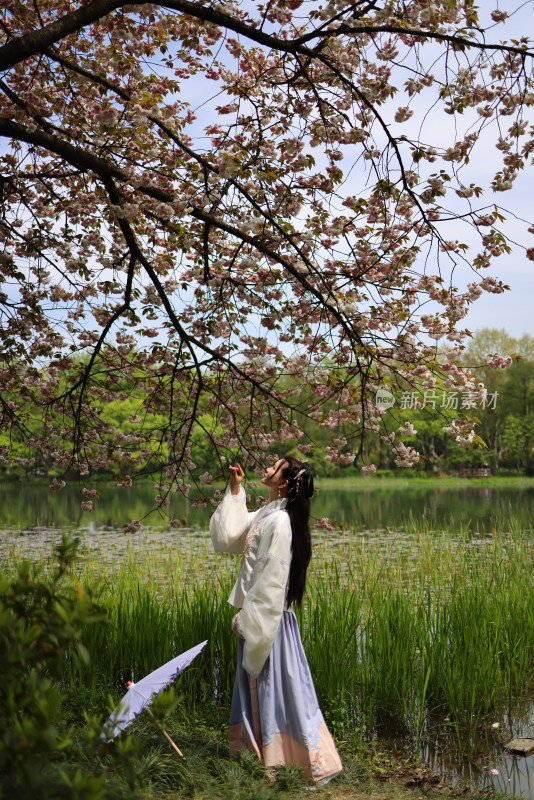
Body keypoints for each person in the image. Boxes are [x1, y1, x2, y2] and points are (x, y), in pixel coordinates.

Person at [210, 456, 343, 784]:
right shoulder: (268, 514)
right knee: (267, 691)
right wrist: (235, 488)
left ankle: (288, 762)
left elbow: (271, 581)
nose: (268, 467)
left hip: (270, 621)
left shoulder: (281, 522)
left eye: (276, 466)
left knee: (278, 693)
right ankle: (265, 757)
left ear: (283, 483)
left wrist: (250, 619)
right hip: (257, 616)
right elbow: (229, 538)